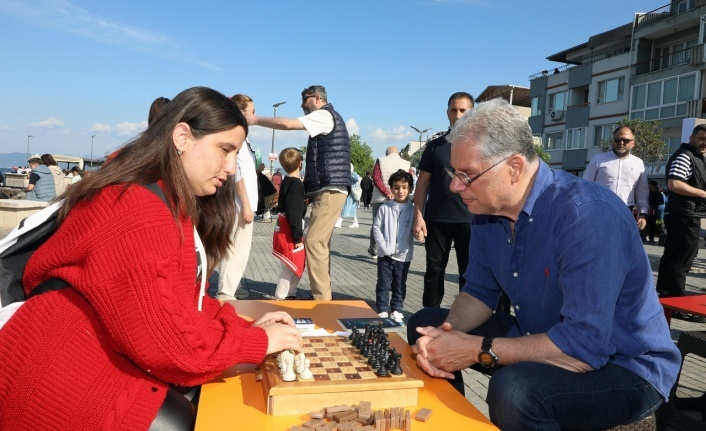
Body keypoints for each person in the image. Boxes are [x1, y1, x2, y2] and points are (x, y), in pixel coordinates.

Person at [0, 87, 303, 430]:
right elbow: (169, 343)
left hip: (76, 361)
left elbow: (181, 305)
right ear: (182, 136)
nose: (232, 167)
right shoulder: (138, 207)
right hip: (56, 384)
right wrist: (255, 342)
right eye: (225, 150)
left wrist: (245, 328)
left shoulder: (161, 197)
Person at [406, 98, 680, 430]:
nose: (453, 186)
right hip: (541, 333)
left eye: (467, 175)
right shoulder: (486, 213)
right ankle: (448, 422)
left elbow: (584, 346)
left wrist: (476, 349)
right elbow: (479, 291)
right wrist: (446, 336)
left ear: (515, 167)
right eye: (453, 173)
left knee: (514, 390)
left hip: (625, 366)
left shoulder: (585, 213)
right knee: (425, 324)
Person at [245, 85, 350, 300]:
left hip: (331, 188)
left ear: (317, 98)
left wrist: (255, 120)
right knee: (320, 244)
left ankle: (322, 300)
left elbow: (287, 124)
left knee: (314, 242)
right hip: (328, 188)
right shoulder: (328, 118)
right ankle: (321, 294)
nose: (302, 104)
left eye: (305, 99)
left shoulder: (324, 115)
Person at [413, 92, 474, 307]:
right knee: (434, 271)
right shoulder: (434, 146)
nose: (458, 115)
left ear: (471, 113)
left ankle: (465, 322)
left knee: (470, 275)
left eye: (463, 110)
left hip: (471, 220)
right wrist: (418, 217)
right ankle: (430, 315)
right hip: (437, 219)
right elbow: (422, 184)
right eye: (453, 110)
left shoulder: (481, 147)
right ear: (447, 113)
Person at [656, 125, 706, 309]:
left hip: (685, 213)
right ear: (692, 137)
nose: (704, 143)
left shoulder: (694, 157)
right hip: (683, 213)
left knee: (675, 255)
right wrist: (703, 194)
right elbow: (675, 183)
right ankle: (675, 300)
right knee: (682, 257)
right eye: (701, 138)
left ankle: (666, 296)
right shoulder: (685, 155)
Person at [216, 94, 260, 301]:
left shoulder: (240, 135)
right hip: (240, 203)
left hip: (241, 202)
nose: (254, 115)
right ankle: (226, 292)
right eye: (252, 111)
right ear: (241, 113)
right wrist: (246, 204)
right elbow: (238, 172)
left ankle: (233, 288)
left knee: (230, 247)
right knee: (237, 248)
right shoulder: (237, 134)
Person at [583, 126, 649, 231]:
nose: (621, 143)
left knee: (622, 245)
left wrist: (643, 214)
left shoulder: (638, 163)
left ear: (633, 143)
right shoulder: (598, 160)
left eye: (626, 140)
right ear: (613, 142)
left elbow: (642, 192)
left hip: (625, 211)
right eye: (617, 140)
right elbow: (585, 187)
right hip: (600, 210)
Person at [373, 169, 415, 323]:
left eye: (404, 187)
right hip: (385, 254)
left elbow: (416, 228)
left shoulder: (413, 209)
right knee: (383, 283)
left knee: (399, 283)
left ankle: (397, 308)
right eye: (396, 187)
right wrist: (383, 246)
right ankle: (382, 309)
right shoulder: (385, 207)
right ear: (391, 189)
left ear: (410, 188)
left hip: (404, 255)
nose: (400, 191)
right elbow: (376, 228)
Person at [272, 148, 307, 300]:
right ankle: (282, 295)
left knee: (290, 265)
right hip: (291, 231)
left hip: (283, 228)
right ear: (300, 163)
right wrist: (298, 238)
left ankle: (290, 293)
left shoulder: (286, 181)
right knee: (291, 265)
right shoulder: (296, 185)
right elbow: (294, 212)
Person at [368, 146, 410, 257]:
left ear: (387, 153)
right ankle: (395, 249)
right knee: (397, 224)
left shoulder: (380, 160)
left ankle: (374, 250)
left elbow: (376, 178)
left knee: (377, 225)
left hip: (380, 199)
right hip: (400, 200)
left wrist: (387, 193)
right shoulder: (406, 163)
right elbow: (409, 182)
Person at [335, 164, 360, 228]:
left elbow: (357, 177)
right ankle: (355, 222)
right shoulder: (348, 174)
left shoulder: (352, 174)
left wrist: (350, 172)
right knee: (351, 209)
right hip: (349, 194)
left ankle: (339, 222)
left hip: (351, 194)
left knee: (345, 208)